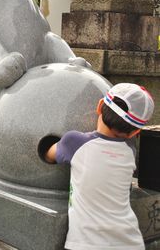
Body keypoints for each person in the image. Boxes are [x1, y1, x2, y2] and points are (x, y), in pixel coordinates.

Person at [45, 83, 154, 250]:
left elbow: (48, 155)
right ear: (134, 133)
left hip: (87, 243)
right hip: (131, 242)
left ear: (100, 106)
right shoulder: (129, 152)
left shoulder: (74, 142)